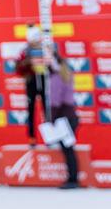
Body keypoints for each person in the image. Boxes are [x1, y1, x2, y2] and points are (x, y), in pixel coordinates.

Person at [14, 24, 52, 145]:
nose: (36, 41)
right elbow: (18, 68)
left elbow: (56, 66)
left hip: (45, 83)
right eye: (34, 39)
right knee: (31, 112)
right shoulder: (25, 51)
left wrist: (48, 62)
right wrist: (28, 62)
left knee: (47, 111)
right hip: (31, 83)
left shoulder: (45, 49)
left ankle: (49, 138)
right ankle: (32, 138)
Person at [48, 58, 81, 189]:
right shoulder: (67, 76)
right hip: (71, 116)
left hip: (63, 117)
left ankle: (72, 179)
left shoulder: (56, 78)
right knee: (68, 148)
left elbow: (55, 101)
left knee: (67, 149)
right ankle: (73, 178)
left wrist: (51, 119)